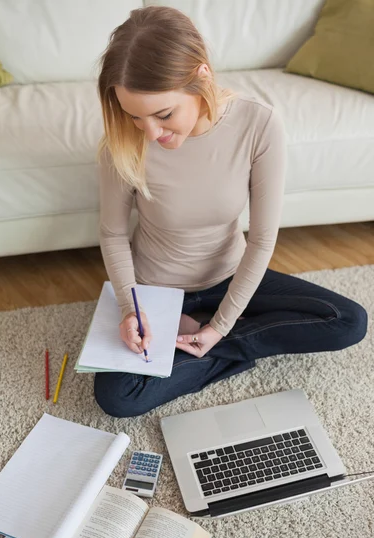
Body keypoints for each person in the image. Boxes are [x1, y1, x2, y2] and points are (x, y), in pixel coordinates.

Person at [94, 6, 367, 418]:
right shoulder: (122, 142)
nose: (151, 132)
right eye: (135, 117)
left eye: (164, 114)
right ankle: (224, 341)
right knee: (117, 396)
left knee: (349, 321)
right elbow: (114, 235)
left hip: (231, 275)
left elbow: (261, 240)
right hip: (158, 289)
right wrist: (133, 310)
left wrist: (219, 327)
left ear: (201, 76)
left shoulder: (258, 125)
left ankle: (207, 341)